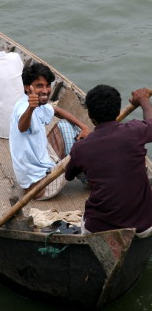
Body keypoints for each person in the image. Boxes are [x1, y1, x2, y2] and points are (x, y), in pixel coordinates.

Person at [65, 85, 152, 237]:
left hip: (98, 230)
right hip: (143, 226)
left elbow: (68, 175)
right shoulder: (135, 131)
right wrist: (144, 100)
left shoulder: (80, 148)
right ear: (118, 112)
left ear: (90, 116)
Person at [9, 62, 91, 200]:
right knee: (83, 147)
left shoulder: (39, 104)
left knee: (66, 126)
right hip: (41, 187)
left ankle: (87, 173)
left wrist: (84, 126)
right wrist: (31, 108)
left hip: (44, 164)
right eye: (39, 86)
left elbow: (57, 110)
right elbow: (22, 126)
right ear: (27, 88)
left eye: (47, 85)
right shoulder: (24, 108)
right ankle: (92, 179)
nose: (46, 90)